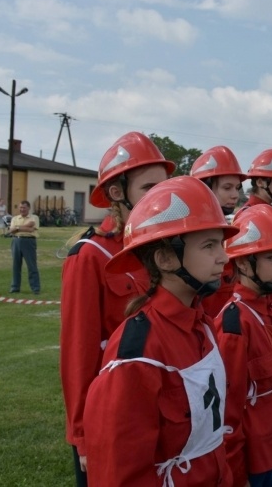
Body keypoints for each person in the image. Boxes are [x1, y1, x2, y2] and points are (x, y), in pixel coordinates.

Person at [82, 176, 238, 486]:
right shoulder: (138, 350)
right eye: (209, 245)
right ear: (165, 258)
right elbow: (120, 472)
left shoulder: (201, 323)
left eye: (220, 243)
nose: (223, 256)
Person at [59, 131, 174, 486]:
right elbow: (79, 352)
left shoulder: (163, 251)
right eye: (148, 188)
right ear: (116, 192)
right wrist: (82, 434)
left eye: (163, 189)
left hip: (162, 407)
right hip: (111, 413)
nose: (158, 199)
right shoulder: (90, 256)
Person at [215, 204, 272, 487]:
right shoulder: (235, 323)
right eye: (271, 257)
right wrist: (237, 476)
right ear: (242, 263)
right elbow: (227, 409)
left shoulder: (269, 308)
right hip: (249, 459)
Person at [190, 145, 247, 318]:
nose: (235, 195)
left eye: (237, 188)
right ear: (204, 188)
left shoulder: (232, 232)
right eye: (227, 187)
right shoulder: (189, 239)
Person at [8, 200, 41, 294]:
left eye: (24, 208)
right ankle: (15, 287)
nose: (22, 209)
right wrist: (22, 227)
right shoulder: (15, 218)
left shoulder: (34, 217)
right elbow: (12, 230)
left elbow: (31, 229)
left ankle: (35, 288)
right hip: (16, 241)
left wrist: (17, 227)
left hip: (28, 241)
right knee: (16, 265)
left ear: (28, 208)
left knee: (31, 266)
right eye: (21, 207)